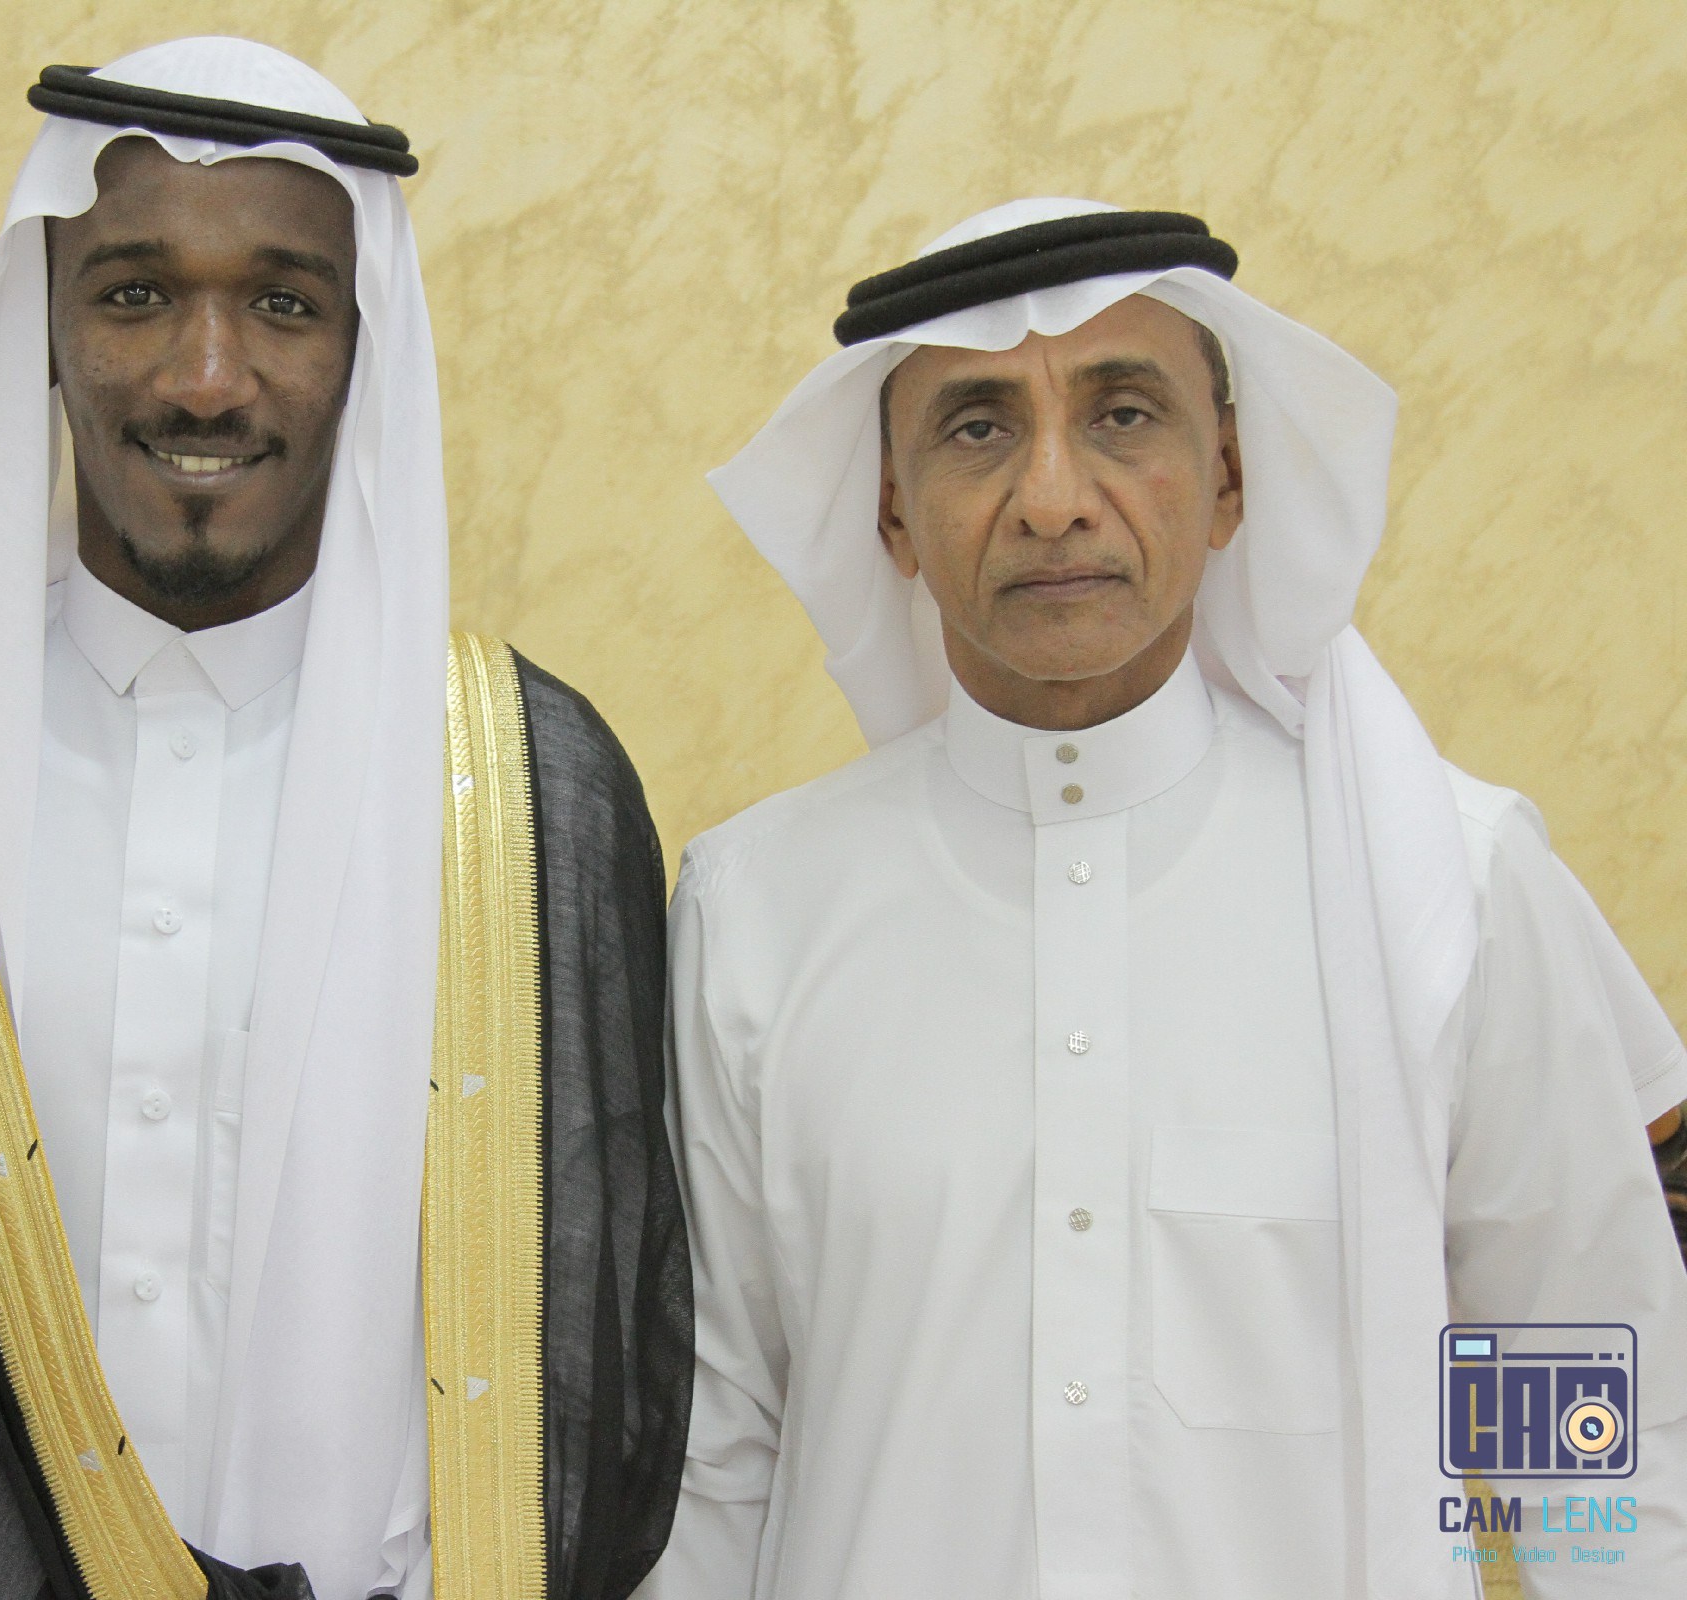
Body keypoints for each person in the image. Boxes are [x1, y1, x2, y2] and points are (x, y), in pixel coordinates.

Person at [0, 38, 688, 1600]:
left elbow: (603, 1344)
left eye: (284, 305)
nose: (205, 378)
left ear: (365, 348)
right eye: (135, 294)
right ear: (45, 329)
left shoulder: (525, 784)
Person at [648, 200, 1687, 1599]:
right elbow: (715, 1458)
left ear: (1231, 477)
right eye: (977, 428)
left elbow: (1591, 1430)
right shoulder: (755, 911)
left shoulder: (1449, 884)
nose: (1053, 497)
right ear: (891, 510)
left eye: (1124, 416)